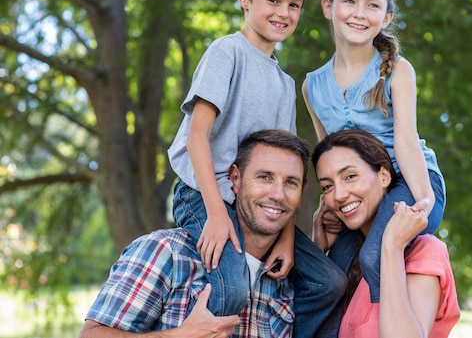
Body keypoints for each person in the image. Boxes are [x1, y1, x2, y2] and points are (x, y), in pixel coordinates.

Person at [167, 0, 346, 336]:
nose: (284, 12)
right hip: (203, 193)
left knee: (328, 283)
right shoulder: (226, 53)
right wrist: (216, 214)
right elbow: (197, 136)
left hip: (256, 201)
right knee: (231, 287)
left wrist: (285, 238)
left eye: (294, 4)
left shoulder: (284, 84)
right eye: (273, 0)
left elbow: (286, 167)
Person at [80, 129, 338, 338]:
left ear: (302, 192)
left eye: (290, 182)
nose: (278, 194)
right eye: (264, 177)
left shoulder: (291, 283)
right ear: (234, 179)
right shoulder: (166, 253)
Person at [302, 0, 446, 305]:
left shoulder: (398, 71)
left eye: (372, 5)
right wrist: (330, 208)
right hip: (362, 196)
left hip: (411, 183)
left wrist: (424, 200)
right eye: (349, 1)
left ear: (386, 17)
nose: (359, 13)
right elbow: (330, 162)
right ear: (327, 6)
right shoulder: (312, 87)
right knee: (329, 279)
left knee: (373, 256)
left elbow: (407, 145)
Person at [311, 129, 460, 338]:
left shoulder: (424, 252)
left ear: (383, 176)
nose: (339, 195)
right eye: (327, 186)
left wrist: (391, 246)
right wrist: (317, 253)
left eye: (350, 176)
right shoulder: (345, 261)